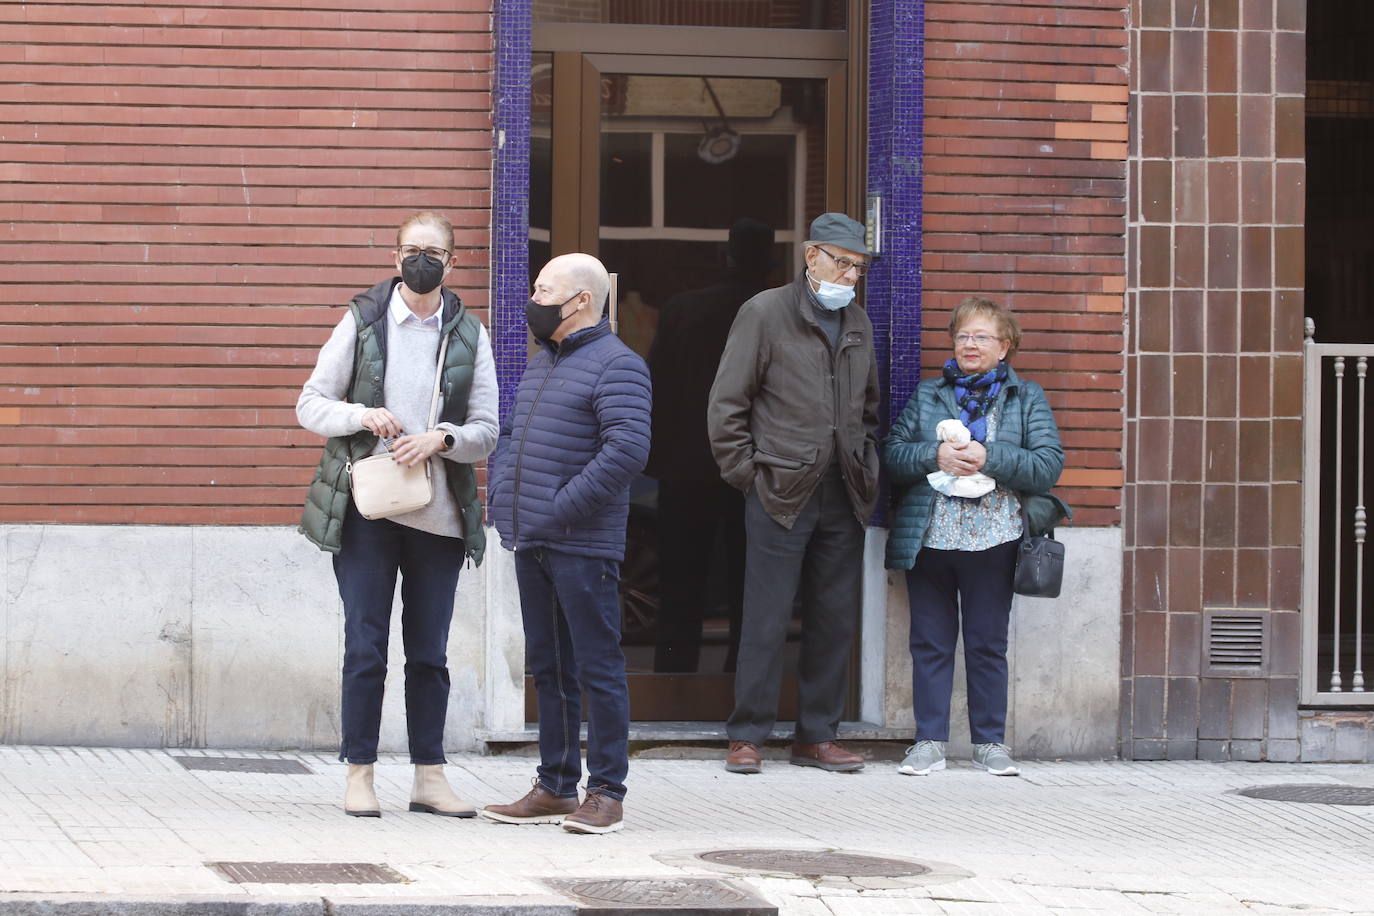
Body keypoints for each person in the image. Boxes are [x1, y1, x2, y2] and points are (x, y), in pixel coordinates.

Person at [297, 211, 499, 817]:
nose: (422, 260)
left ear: (452, 261)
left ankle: (429, 776)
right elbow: (311, 403)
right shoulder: (361, 322)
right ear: (394, 258)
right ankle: (359, 773)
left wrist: (442, 438)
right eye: (412, 249)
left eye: (433, 251)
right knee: (365, 646)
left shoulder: (469, 334)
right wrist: (362, 415)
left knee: (430, 653)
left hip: (438, 517)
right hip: (367, 510)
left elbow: (488, 430)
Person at [482, 253, 651, 834]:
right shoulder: (545, 361)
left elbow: (626, 452)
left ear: (579, 300)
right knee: (549, 666)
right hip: (534, 539)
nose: (534, 298)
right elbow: (511, 437)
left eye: (542, 288)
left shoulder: (618, 365)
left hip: (582, 544)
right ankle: (555, 785)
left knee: (597, 666)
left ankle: (606, 792)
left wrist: (560, 508)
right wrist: (506, 501)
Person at [708, 212, 880, 775]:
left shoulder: (858, 322)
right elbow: (727, 403)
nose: (850, 275)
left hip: (843, 491)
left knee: (834, 618)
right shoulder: (764, 312)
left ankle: (817, 736)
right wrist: (747, 476)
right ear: (811, 256)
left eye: (858, 267)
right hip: (779, 489)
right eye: (841, 262)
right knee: (766, 616)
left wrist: (865, 461)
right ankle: (748, 734)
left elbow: (868, 407)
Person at [881, 297, 1064, 778]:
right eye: (962, 335)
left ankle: (989, 743)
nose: (970, 344)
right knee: (929, 642)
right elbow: (893, 457)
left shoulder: (1027, 399)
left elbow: (1048, 466)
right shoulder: (927, 395)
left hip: (995, 538)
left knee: (986, 644)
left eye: (982, 337)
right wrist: (933, 456)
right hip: (932, 537)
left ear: (1004, 348)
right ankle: (929, 742)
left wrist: (991, 457)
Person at [646, 218, 775, 673]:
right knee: (751, 580)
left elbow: (657, 385)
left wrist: (656, 458)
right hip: (756, 467)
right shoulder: (778, 312)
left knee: (680, 579)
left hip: (685, 465)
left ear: (726, 258)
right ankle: (738, 678)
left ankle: (673, 679)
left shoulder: (684, 308)